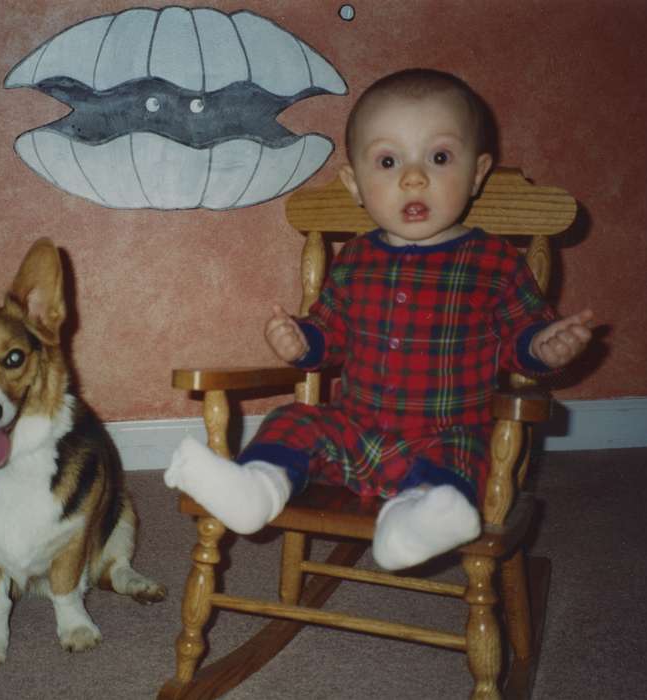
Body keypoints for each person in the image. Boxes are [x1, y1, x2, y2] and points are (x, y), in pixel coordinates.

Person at [163, 68, 594, 570]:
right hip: (354, 431)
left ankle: (417, 520)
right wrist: (300, 341)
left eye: (439, 157)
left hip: (445, 434)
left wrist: (544, 347)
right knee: (294, 421)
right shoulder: (355, 260)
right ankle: (259, 486)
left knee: (462, 466)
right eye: (388, 161)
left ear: (477, 174)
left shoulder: (493, 262)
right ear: (355, 184)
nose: (414, 177)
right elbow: (330, 335)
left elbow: (523, 337)